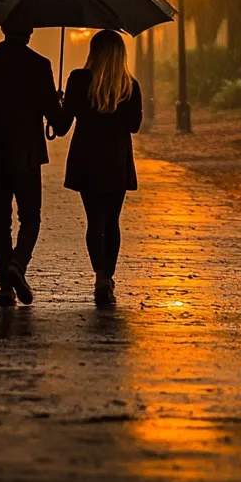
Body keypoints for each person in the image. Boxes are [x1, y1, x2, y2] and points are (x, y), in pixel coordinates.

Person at [0, 23, 68, 307]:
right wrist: (61, 103)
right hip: (27, 157)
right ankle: (17, 263)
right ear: (29, 32)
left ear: (3, 30)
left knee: (0, 220)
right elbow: (59, 124)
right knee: (30, 217)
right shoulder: (39, 66)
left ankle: (6, 288)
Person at [62, 29, 143, 306]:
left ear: (93, 52)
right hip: (116, 159)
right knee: (112, 220)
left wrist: (61, 101)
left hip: (87, 159)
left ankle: (99, 275)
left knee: (94, 220)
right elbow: (134, 125)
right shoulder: (129, 86)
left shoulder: (78, 79)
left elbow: (62, 126)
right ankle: (108, 276)